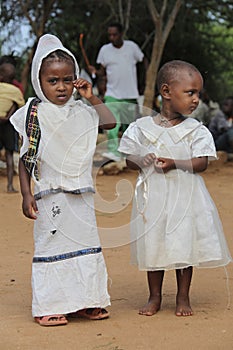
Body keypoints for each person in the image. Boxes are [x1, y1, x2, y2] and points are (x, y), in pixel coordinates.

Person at [10, 34, 116, 326]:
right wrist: (26, 194)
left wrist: (91, 96)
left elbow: (109, 123)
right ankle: (50, 304)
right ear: (38, 81)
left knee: (85, 243)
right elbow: (25, 158)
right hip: (50, 193)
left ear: (76, 81)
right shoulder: (32, 113)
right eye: (52, 81)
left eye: (67, 80)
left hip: (80, 194)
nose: (61, 87)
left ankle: (87, 301)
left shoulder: (82, 110)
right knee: (51, 245)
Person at [118, 60, 232, 317]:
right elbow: (128, 159)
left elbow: (201, 163)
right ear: (167, 92)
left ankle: (183, 297)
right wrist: (141, 159)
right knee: (153, 243)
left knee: (183, 244)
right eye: (190, 93)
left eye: (198, 94)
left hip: (186, 198)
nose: (196, 100)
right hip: (154, 198)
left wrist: (175, 164)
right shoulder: (141, 128)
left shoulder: (195, 130)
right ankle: (154, 296)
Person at [88, 22, 146, 162]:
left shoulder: (132, 47)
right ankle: (113, 151)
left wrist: (145, 82)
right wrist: (95, 72)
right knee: (112, 123)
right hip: (112, 93)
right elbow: (102, 72)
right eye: (110, 35)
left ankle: (126, 153)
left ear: (121, 34)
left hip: (130, 94)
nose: (112, 37)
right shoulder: (105, 50)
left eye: (115, 34)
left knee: (129, 125)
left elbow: (144, 61)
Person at [0, 62, 25, 192]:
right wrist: (9, 115)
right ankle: (10, 186)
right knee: (9, 155)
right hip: (9, 125)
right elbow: (20, 107)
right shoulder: (16, 91)